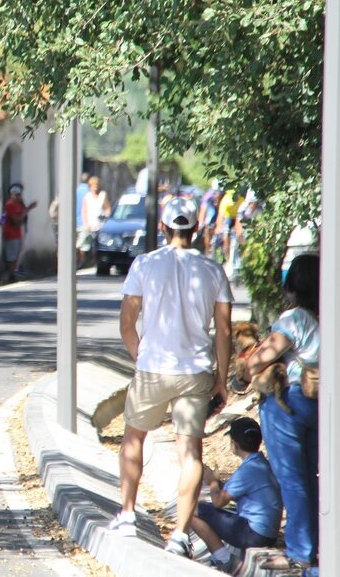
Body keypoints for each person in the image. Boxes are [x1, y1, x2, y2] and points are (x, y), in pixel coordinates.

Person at [107, 197, 233, 558]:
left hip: (153, 367)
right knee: (190, 451)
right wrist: (222, 378)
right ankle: (179, 535)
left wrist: (141, 357)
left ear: (163, 228)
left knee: (134, 437)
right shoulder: (213, 270)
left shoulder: (145, 264)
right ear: (196, 229)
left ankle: (127, 514)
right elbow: (224, 331)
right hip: (195, 371)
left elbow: (126, 324)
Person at [242, 254, 319, 571]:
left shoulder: (295, 319)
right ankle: (316, 545)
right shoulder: (328, 315)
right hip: (319, 401)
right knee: (313, 477)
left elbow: (257, 361)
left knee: (292, 479)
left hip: (288, 403)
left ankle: (299, 551)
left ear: (292, 286)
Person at [191, 417, 281, 573]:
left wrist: (212, 482)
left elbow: (219, 502)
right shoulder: (262, 464)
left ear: (234, 444)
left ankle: (224, 559)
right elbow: (232, 493)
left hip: (254, 534)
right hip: (269, 533)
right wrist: (217, 483)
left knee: (192, 510)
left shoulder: (247, 470)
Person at [0, 184, 38, 284]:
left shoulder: (19, 205)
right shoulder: (9, 205)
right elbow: (16, 221)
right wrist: (25, 212)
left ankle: (13, 273)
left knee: (16, 255)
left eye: (19, 195)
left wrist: (27, 209)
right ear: (11, 195)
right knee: (11, 256)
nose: (18, 197)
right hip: (10, 233)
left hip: (17, 233)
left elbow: (21, 218)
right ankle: (10, 275)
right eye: (16, 195)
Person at [77, 176, 110, 268]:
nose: (95, 187)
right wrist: (86, 223)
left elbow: (107, 208)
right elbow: (84, 211)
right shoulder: (87, 197)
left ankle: (97, 263)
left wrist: (105, 218)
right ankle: (81, 263)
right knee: (83, 245)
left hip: (100, 225)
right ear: (90, 186)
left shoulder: (102, 195)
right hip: (90, 224)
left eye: (96, 185)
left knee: (98, 245)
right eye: (93, 185)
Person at [75, 172, 90, 266]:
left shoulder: (76, 190)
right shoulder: (88, 192)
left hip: (75, 221)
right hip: (84, 222)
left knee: (78, 243)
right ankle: (80, 263)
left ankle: (77, 262)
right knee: (82, 246)